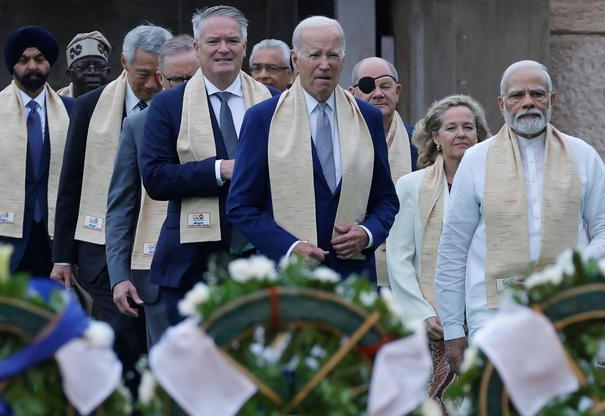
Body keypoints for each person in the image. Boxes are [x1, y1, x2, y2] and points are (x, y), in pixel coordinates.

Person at [436, 60, 605, 370]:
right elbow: (454, 246)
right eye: (517, 95)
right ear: (501, 104)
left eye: (537, 94)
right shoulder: (475, 160)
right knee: (502, 398)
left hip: (570, 310)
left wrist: (575, 268)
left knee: (567, 398)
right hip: (494, 315)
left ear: (552, 99)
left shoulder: (583, 155)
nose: (527, 102)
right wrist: (453, 328)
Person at [226, 16, 398, 281]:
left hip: (353, 278)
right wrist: (289, 247)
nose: (324, 64)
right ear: (295, 60)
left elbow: (386, 200)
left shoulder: (367, 117)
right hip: (286, 276)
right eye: (315, 55)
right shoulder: (263, 118)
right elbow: (240, 206)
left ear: (343, 60)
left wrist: (367, 234)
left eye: (333, 55)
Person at [141, 6, 279, 325]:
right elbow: (156, 177)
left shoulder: (273, 100)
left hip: (260, 259)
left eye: (232, 40)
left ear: (245, 46)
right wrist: (219, 170)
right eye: (213, 41)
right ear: (196, 48)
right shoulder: (168, 103)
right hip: (190, 264)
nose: (223, 49)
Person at [51, 23, 172, 386]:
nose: (151, 84)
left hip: (161, 245)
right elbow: (70, 182)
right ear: (123, 63)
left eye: (159, 75)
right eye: (142, 74)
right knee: (120, 340)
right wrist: (62, 257)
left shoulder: (179, 106)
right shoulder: (90, 106)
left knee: (160, 345)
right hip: (101, 247)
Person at [386, 94, 490, 404]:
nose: (461, 134)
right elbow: (399, 258)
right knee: (431, 414)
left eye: (468, 127)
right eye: (451, 127)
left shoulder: (495, 185)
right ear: (435, 137)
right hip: (430, 322)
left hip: (482, 314)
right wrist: (422, 313)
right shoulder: (411, 185)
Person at [106, 35, 199, 348]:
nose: (186, 87)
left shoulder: (228, 118)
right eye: (177, 80)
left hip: (214, 266)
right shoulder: (138, 125)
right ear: (160, 78)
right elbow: (121, 205)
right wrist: (119, 276)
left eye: (194, 78)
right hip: (156, 271)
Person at [0, 25, 74, 276]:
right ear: (12, 65)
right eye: (23, 60)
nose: (32, 66)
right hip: (1, 243)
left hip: (56, 242)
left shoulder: (71, 110)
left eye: (39, 59)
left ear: (49, 63)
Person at [349, 56, 418, 286]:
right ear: (352, 93)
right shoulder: (338, 141)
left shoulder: (420, 143)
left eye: (385, 86)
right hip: (352, 263)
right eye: (368, 86)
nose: (378, 93)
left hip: (409, 269)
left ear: (397, 92)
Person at [59, 31, 113, 97]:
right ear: (69, 74)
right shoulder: (56, 102)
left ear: (108, 72)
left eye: (100, 66)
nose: (92, 72)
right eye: (83, 67)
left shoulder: (120, 99)